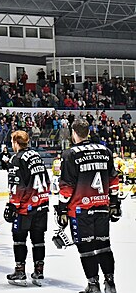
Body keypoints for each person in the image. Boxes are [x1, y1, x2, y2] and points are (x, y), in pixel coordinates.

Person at [56, 119, 119, 293]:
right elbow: (114, 181)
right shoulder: (105, 151)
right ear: (88, 132)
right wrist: (114, 203)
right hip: (101, 206)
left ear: (74, 133)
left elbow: (66, 187)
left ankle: (93, 285)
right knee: (104, 245)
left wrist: (61, 208)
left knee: (86, 248)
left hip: (80, 210)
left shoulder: (71, 154)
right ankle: (110, 283)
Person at [3, 131, 51, 286]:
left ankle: (20, 271)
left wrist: (13, 204)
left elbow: (17, 185)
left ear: (16, 142)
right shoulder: (36, 156)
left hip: (25, 207)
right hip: (42, 204)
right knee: (38, 239)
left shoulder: (16, 159)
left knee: (19, 239)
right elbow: (47, 181)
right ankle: (39, 271)